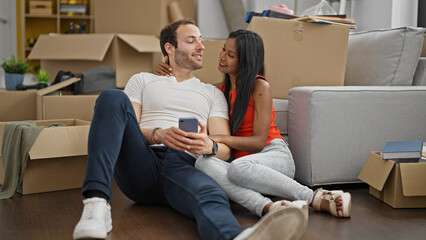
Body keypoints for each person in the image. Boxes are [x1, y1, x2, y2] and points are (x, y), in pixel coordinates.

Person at [72, 20, 307, 240]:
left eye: (201, 40)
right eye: (191, 40)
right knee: (112, 97)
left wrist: (210, 145)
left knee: (211, 195)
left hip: (185, 164)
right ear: (170, 48)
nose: (201, 46)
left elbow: (225, 150)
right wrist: (159, 134)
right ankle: (95, 204)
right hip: (142, 159)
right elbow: (125, 126)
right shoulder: (142, 80)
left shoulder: (212, 92)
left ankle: (232, 236)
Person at [154, 29, 351, 219]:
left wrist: (218, 138)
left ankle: (315, 197)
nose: (222, 56)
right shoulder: (219, 91)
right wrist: (168, 72)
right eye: (223, 49)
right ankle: (268, 207)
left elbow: (258, 142)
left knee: (239, 168)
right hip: (241, 166)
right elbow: (191, 87)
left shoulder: (259, 86)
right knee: (204, 163)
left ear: (245, 61)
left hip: (272, 155)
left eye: (230, 55)